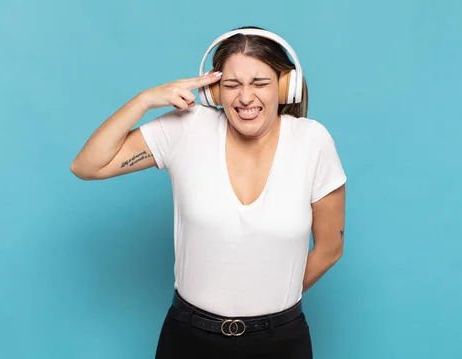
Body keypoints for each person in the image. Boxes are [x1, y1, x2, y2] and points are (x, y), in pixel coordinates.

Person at [70, 26, 346, 359]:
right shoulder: (186, 128)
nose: (246, 97)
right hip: (189, 340)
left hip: (280, 342)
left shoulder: (312, 142)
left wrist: (270, 301)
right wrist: (145, 100)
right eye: (232, 85)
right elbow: (87, 166)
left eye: (260, 83)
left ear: (285, 86)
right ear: (214, 91)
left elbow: (330, 248)